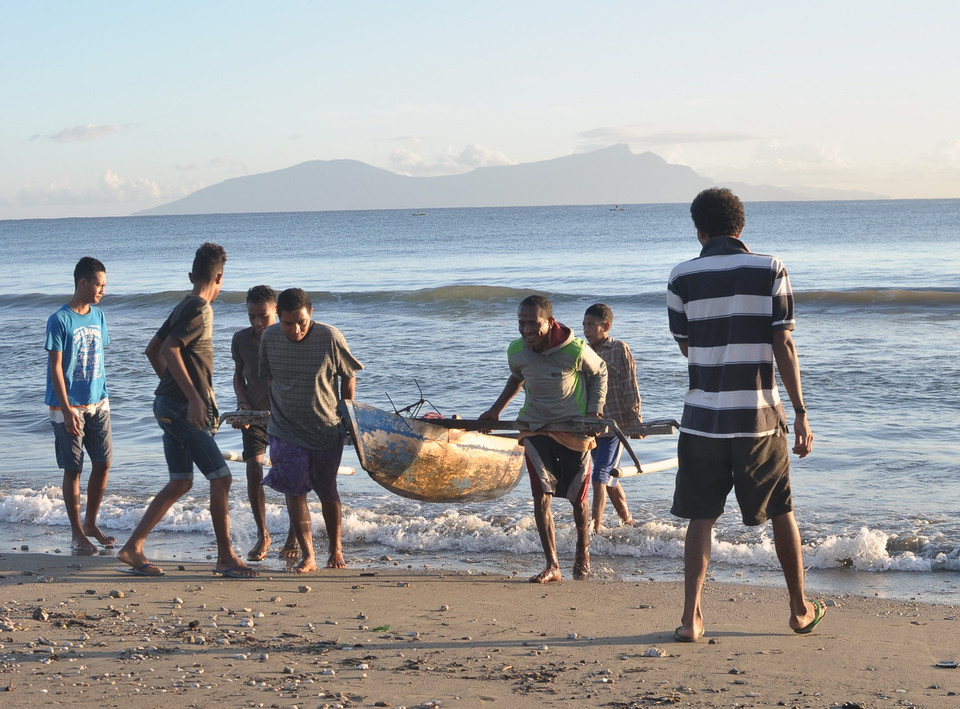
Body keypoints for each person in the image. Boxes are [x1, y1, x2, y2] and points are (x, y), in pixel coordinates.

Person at [667, 187, 821, 641]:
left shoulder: (681, 276)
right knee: (781, 511)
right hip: (758, 418)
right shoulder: (770, 268)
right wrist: (801, 411)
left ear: (699, 230)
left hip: (701, 418)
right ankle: (798, 610)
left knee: (701, 517)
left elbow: (687, 347)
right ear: (742, 225)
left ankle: (691, 618)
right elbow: (783, 343)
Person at [117, 243, 257, 578]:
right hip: (181, 409)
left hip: (168, 406)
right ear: (219, 278)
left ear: (192, 275)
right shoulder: (201, 309)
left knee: (180, 482)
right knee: (221, 478)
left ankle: (133, 547)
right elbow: (169, 349)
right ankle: (225, 558)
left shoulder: (184, 304)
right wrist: (192, 397)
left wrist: (173, 389)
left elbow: (152, 350)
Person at [480, 295, 607, 583]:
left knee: (577, 497)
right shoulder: (516, 350)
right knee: (541, 495)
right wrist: (496, 410)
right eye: (521, 322)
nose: (526, 330)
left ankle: (583, 550)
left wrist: (594, 412)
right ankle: (552, 565)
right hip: (534, 426)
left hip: (573, 428)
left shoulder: (575, 349)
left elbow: (600, 371)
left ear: (549, 322)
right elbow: (517, 378)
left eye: (533, 323)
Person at [259, 288, 363, 573]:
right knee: (294, 490)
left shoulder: (330, 337)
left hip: (325, 428)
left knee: (327, 491)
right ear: (278, 316)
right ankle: (308, 555)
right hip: (284, 428)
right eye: (288, 323)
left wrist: (348, 414)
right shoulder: (269, 338)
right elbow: (268, 378)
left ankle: (335, 548)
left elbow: (349, 376)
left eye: (301, 322)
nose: (295, 329)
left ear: (311, 314)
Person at [45, 257, 115, 553]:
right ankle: (77, 534)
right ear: (83, 282)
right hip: (67, 407)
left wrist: (102, 395)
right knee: (73, 469)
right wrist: (66, 408)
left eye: (105, 285)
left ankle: (90, 523)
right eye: (99, 285)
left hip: (98, 401)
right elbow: (55, 367)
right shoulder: (59, 320)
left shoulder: (98, 316)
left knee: (103, 462)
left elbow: (98, 356)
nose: (103, 291)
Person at [231, 285, 298, 561]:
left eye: (263, 316)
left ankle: (294, 535)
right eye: (252, 316)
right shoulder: (240, 339)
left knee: (290, 476)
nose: (257, 322)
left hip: (287, 417)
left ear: (277, 312)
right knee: (253, 469)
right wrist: (242, 406)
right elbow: (239, 376)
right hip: (255, 416)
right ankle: (263, 534)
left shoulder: (290, 337)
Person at [582, 303, 643, 533]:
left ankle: (595, 529)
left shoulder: (618, 349)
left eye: (591, 325)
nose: (586, 330)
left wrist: (635, 419)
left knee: (599, 477)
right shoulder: (584, 351)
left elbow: (630, 384)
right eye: (584, 325)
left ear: (606, 326)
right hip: (592, 426)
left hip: (615, 426)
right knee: (607, 477)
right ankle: (628, 520)